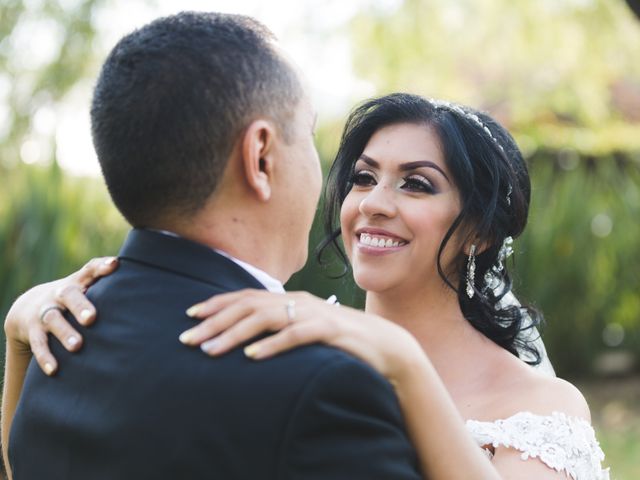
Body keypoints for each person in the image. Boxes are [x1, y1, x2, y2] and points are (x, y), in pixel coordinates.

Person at [4, 90, 610, 478]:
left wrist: (403, 363)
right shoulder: (280, 339)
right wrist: (19, 335)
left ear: (479, 231)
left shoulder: (539, 408)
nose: (373, 203)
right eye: (364, 178)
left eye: (416, 184)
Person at [1, 12, 426, 480]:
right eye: (307, 133)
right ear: (260, 156)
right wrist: (406, 358)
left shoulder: (53, 336)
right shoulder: (320, 385)